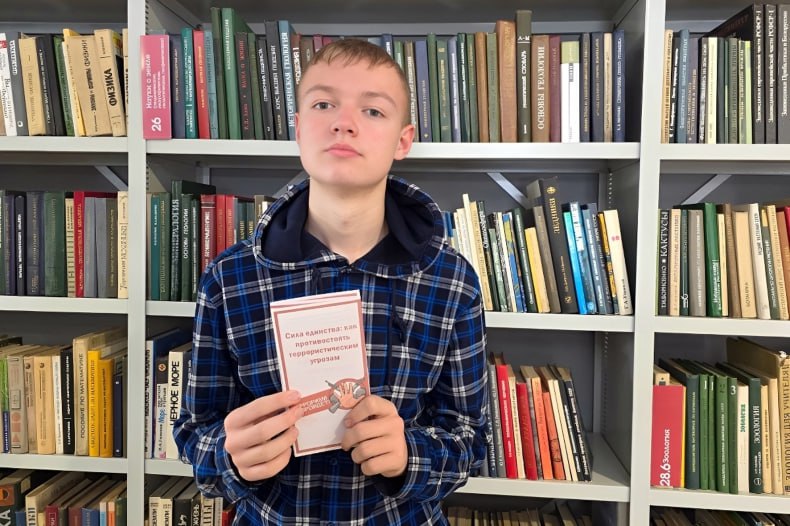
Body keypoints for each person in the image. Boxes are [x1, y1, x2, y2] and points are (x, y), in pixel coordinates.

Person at [174, 38, 488, 525]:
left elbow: (469, 437)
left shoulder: (451, 281)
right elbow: (196, 434)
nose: (344, 122)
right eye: (324, 104)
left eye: (373, 111)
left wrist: (410, 456)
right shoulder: (229, 278)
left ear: (403, 141)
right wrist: (229, 457)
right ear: (299, 128)